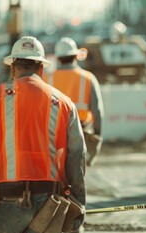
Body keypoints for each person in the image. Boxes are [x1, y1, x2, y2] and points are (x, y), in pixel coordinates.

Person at [0, 36, 87, 233]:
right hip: (49, 203)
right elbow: (77, 155)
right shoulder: (64, 103)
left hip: (3, 202)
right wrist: (79, 200)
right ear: (41, 69)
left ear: (13, 68)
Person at [49, 37, 104, 166]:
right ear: (75, 56)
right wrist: (96, 137)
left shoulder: (46, 78)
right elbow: (98, 112)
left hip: (53, 135)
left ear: (57, 58)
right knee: (77, 173)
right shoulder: (88, 78)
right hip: (80, 134)